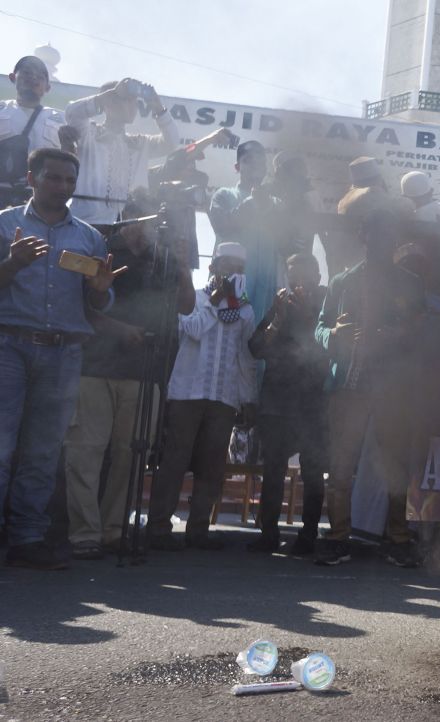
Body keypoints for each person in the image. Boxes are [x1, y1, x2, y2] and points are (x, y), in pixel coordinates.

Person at [0, 148, 124, 569]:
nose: (64, 187)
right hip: (9, 347)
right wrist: (12, 265)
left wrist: (100, 289)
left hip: (63, 352)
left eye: (70, 180)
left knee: (43, 452)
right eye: (54, 178)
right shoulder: (4, 223)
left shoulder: (90, 237)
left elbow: (99, 304)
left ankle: (27, 539)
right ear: (32, 178)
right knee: (0, 447)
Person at [63, 190, 195, 560]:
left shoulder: (164, 258)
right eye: (146, 220)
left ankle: (114, 531)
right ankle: (83, 533)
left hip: (146, 369)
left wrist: (184, 267)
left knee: (130, 455)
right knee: (86, 451)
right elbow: (80, 307)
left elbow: (186, 305)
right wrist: (119, 330)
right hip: (96, 366)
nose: (151, 228)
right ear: (130, 218)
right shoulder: (99, 248)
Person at [316, 207, 426, 567]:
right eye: (375, 235)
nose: (383, 242)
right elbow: (319, 328)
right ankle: (337, 538)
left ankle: (397, 539)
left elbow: (422, 331)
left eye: (388, 236)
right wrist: (333, 334)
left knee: (395, 465)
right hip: (349, 384)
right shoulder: (342, 281)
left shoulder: (410, 283)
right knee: (341, 466)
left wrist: (397, 335)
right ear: (364, 237)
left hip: (392, 387)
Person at [145, 242, 257, 551]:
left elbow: (245, 357)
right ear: (212, 267)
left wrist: (248, 398)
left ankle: (198, 531)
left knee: (212, 467)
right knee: (175, 462)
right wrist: (216, 301)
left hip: (223, 397)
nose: (232, 271)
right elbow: (193, 329)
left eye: (238, 267)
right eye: (226, 265)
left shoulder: (245, 308)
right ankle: (157, 529)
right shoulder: (192, 298)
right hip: (187, 394)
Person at [246, 253, 329, 555]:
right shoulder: (280, 305)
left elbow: (327, 346)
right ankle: (268, 533)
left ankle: (308, 536)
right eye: (292, 276)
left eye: (302, 276)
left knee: (312, 472)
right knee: (273, 470)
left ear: (317, 277)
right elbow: (255, 348)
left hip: (312, 403)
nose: (297, 283)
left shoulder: (325, 302)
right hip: (277, 403)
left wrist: (309, 312)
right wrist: (278, 317)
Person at [65, 78, 180, 226]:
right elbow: (72, 113)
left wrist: (158, 108)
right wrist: (110, 94)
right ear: (108, 103)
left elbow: (172, 143)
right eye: (126, 100)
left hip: (129, 232)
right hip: (85, 225)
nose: (132, 107)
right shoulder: (89, 134)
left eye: (134, 102)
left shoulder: (140, 143)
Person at [209, 140, 299, 324]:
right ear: (237, 166)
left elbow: (288, 243)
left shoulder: (276, 204)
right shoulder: (223, 196)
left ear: (266, 169)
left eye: (260, 162)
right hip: (228, 291)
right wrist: (252, 202)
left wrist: (269, 208)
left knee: (258, 346)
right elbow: (222, 226)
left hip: (267, 291)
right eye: (248, 160)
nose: (255, 166)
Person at [0, 56, 64, 206]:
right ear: (12, 77)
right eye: (27, 73)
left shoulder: (61, 119)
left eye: (40, 76)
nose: (33, 78)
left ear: (48, 87)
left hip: (42, 201)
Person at [330, 156, 410, 276]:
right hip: (371, 263)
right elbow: (405, 207)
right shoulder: (371, 192)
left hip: (352, 262)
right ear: (378, 178)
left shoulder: (346, 198)